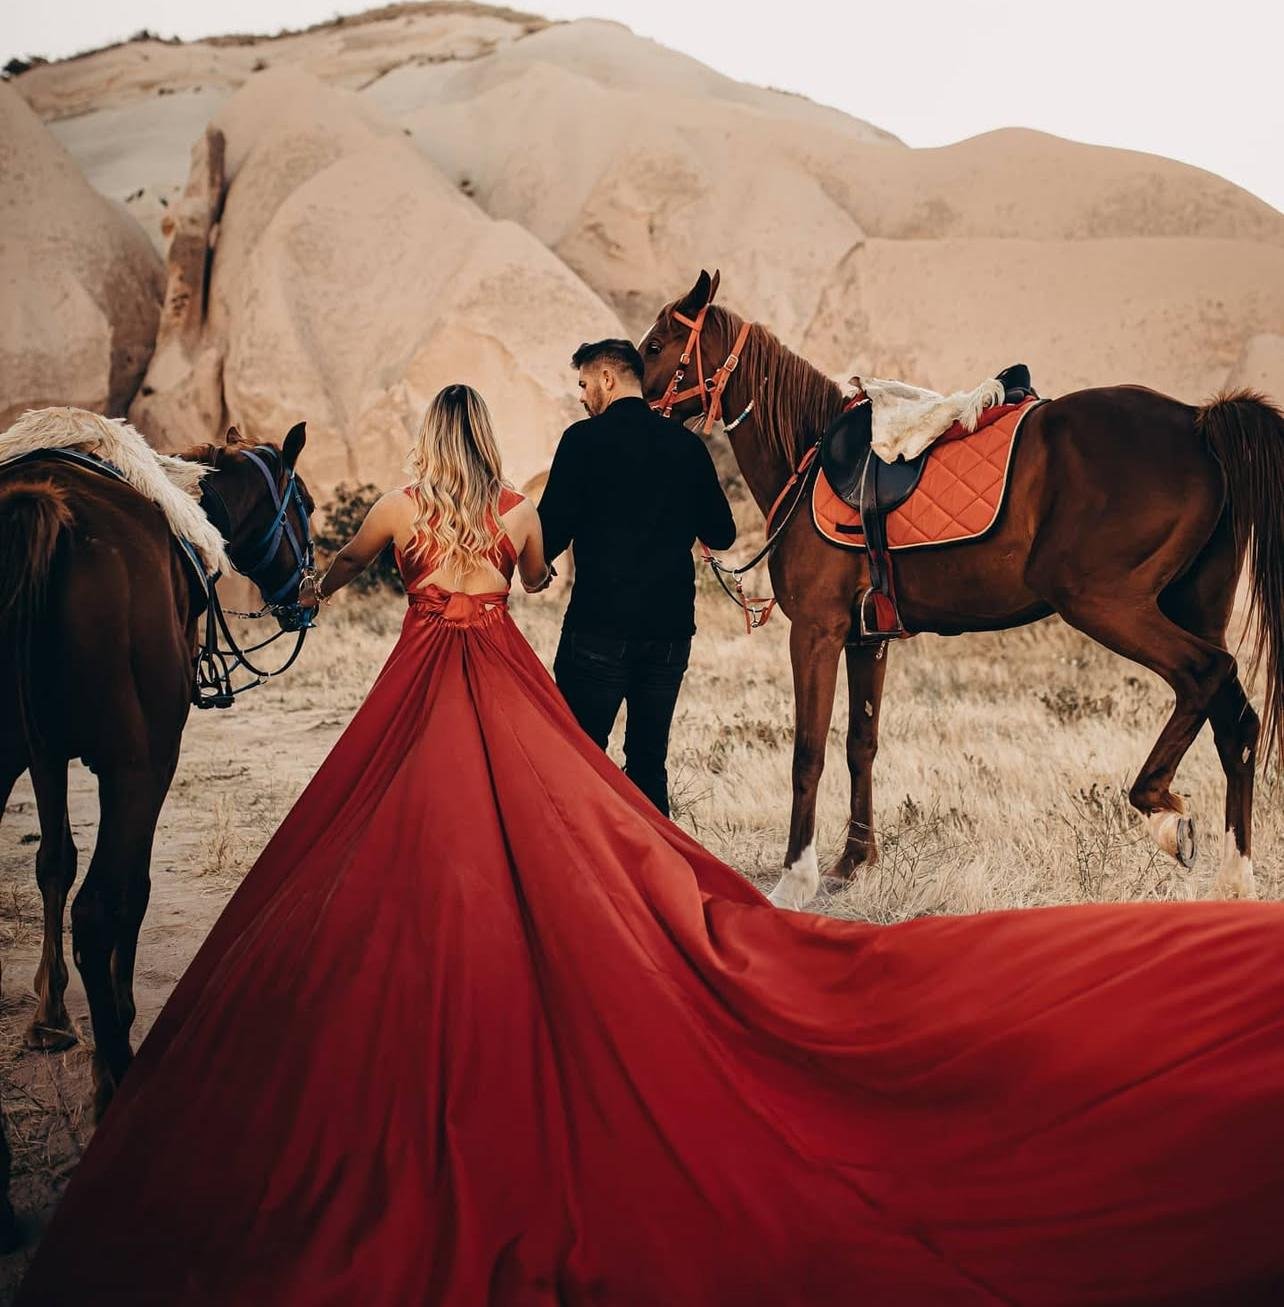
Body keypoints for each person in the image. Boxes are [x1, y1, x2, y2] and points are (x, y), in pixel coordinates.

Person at [17, 383, 1284, 1307]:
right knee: (588, 830)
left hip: (414, 695)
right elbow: (530, 578)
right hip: (498, 682)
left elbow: (314, 586)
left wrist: (310, 580)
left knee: (375, 861)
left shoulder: (399, 502)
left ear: (423, 446)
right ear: (490, 444)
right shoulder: (509, 506)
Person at [539, 338, 736, 816]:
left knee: (578, 760)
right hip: (669, 633)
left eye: (584, 384)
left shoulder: (582, 441)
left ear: (608, 379)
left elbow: (548, 536)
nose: (583, 396)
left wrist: (532, 567)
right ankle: (655, 879)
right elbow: (723, 533)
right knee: (650, 763)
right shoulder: (686, 446)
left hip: (597, 628)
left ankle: (588, 875)